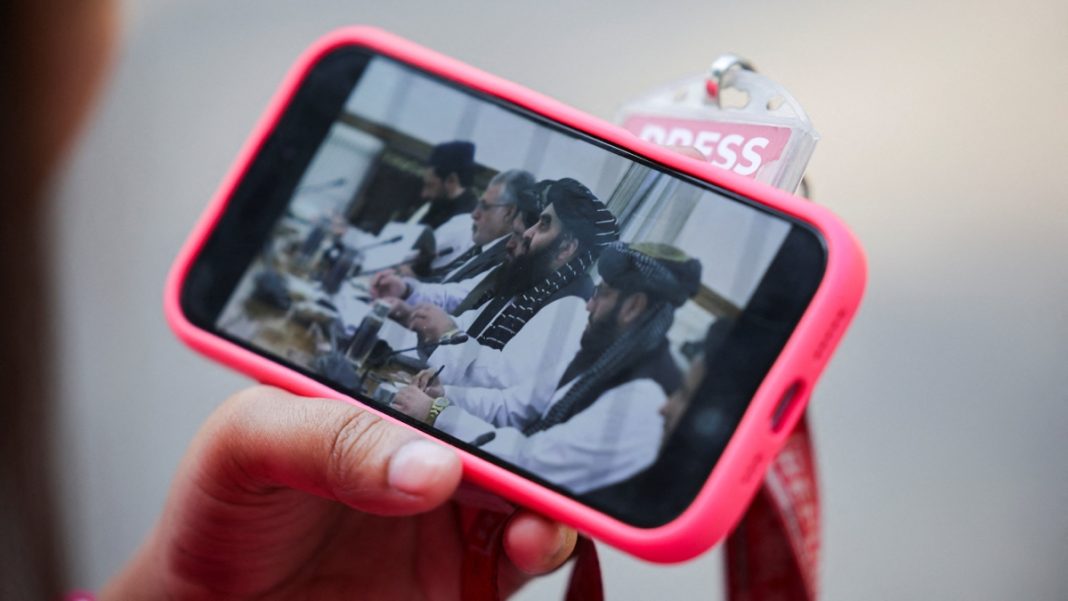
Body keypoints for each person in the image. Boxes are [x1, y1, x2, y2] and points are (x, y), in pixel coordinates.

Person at [0, 3, 577, 598]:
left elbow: (510, 387)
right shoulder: (499, 260)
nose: (490, 218)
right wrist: (416, 302)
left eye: (525, 221)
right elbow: (452, 298)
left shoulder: (551, 297)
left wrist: (187, 591)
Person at [393, 242, 703, 494]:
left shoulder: (644, 397)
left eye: (602, 294)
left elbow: (531, 463)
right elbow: (513, 405)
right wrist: (445, 394)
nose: (588, 305)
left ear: (633, 306)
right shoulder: (604, 355)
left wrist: (437, 413)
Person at [401, 179, 620, 430]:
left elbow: (507, 381)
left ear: (566, 248)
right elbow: (471, 325)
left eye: (544, 225)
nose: (528, 232)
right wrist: (430, 323)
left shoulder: (570, 308)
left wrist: (448, 335)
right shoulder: (531, 282)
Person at [370, 169, 535, 316]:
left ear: (509, 212)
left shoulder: (508, 256)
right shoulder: (484, 247)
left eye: (484, 206)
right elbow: (445, 284)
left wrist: (408, 289)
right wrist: (410, 281)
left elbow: (457, 298)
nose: (474, 214)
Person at [414, 140, 480, 269]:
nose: (424, 194)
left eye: (430, 185)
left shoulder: (467, 220)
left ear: (451, 180)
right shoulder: (436, 206)